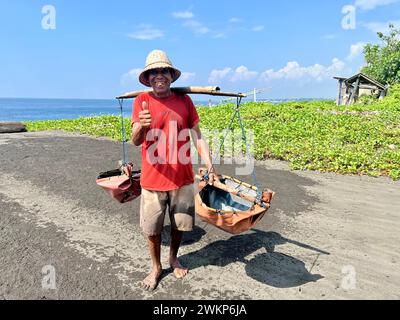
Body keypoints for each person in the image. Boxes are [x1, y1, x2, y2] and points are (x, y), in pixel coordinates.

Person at [131, 50, 217, 291]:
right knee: (152, 228)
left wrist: (209, 163)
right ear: (147, 77)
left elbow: (197, 136)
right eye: (154, 72)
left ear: (171, 75)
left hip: (182, 179)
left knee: (180, 225)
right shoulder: (142, 101)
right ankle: (156, 266)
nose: (159, 75)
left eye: (164, 71)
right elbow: (135, 140)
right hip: (152, 180)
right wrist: (142, 126)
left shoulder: (185, 102)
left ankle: (173, 258)